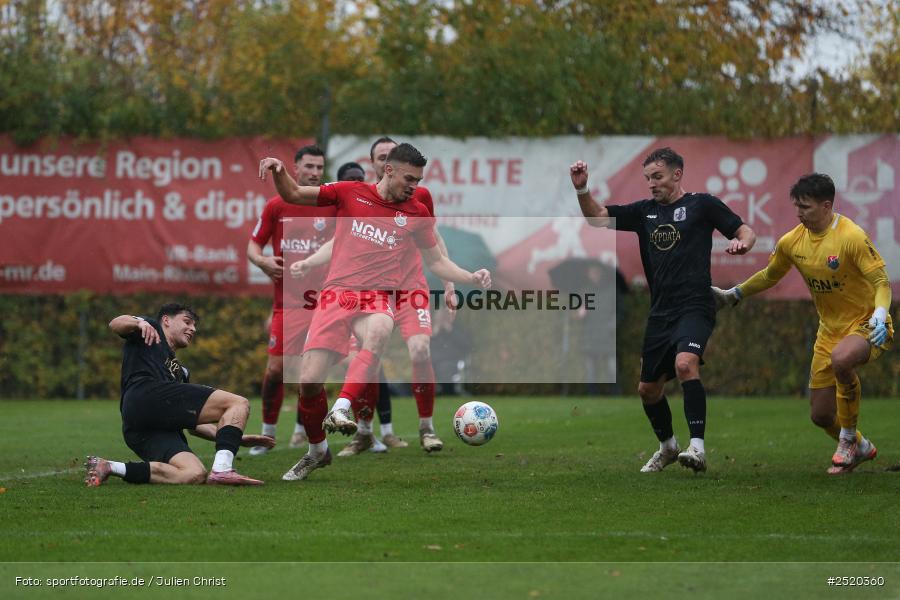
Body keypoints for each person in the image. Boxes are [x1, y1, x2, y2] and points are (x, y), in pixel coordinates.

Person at [259, 142, 491, 481]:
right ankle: (317, 451)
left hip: (377, 297)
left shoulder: (415, 212)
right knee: (308, 383)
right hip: (336, 295)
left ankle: (342, 408)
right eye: (409, 178)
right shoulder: (351, 193)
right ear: (389, 170)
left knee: (381, 331)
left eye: (419, 179)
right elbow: (293, 193)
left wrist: (470, 276)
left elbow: (437, 260)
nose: (414, 186)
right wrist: (279, 172)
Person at [570, 147, 756, 473]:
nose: (651, 184)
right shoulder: (645, 212)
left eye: (657, 177)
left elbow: (745, 231)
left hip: (696, 304)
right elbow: (596, 217)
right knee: (647, 390)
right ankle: (668, 446)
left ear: (676, 174)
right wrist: (582, 188)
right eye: (647, 179)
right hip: (660, 312)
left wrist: (743, 243)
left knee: (686, 365)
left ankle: (696, 448)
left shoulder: (702, 205)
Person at [712, 173, 892, 474]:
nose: (799, 213)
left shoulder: (851, 236)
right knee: (821, 415)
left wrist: (879, 313)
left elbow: (881, 281)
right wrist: (735, 294)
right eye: (797, 206)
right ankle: (860, 446)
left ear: (826, 205)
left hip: (866, 323)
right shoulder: (792, 241)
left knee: (843, 359)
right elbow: (771, 275)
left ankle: (847, 440)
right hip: (829, 330)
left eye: (805, 207)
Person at [291, 137, 457, 456]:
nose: (385, 161)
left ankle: (426, 427)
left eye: (389, 155)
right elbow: (340, 241)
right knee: (363, 359)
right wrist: (310, 262)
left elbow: (434, 242)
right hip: (365, 292)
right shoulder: (358, 196)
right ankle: (364, 432)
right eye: (380, 157)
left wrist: (449, 285)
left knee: (420, 349)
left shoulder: (418, 196)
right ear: (376, 164)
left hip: (408, 289)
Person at [85, 304, 272, 486]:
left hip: (142, 429)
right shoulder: (150, 329)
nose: (193, 329)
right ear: (166, 320)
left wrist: (234, 436)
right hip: (145, 397)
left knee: (194, 474)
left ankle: (110, 466)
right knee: (238, 403)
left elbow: (193, 425)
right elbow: (115, 323)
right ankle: (223, 469)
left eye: (194, 325)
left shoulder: (181, 372)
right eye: (187, 322)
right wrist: (139, 323)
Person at [246, 145, 336, 455]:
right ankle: (268, 434)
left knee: (311, 372)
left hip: (324, 302)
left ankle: (313, 435)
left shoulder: (331, 203)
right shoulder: (276, 206)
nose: (314, 172)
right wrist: (262, 263)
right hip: (287, 302)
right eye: (309, 166)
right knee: (276, 370)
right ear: (296, 169)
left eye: (319, 167)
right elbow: (252, 247)